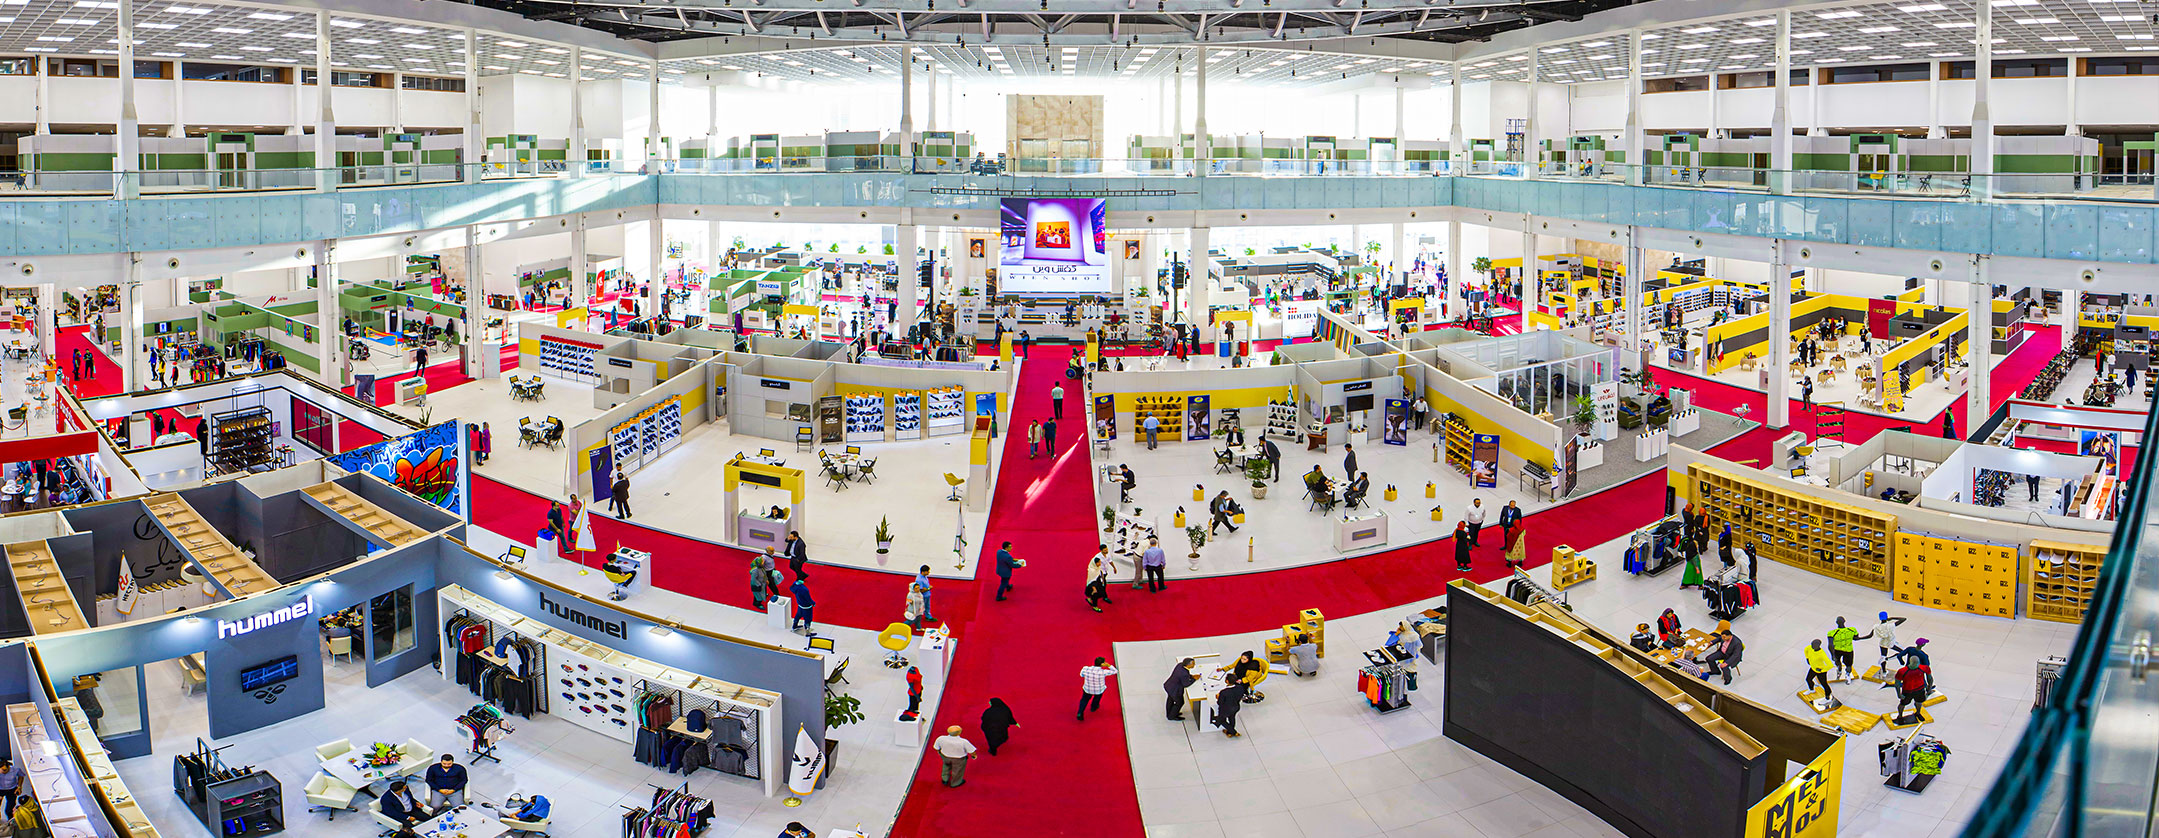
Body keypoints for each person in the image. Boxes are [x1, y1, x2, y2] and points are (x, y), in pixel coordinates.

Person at [1077, 656, 1119, 721]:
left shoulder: (1085, 669)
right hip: (1098, 690)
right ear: (1102, 664)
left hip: (1087, 689)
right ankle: (1093, 707)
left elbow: (1081, 675)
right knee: (1097, 698)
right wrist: (1108, 665)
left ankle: (1080, 713)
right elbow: (1115, 671)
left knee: (1084, 700)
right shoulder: (1103, 672)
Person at [1827, 616, 1860, 681]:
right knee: (1849, 665)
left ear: (1836, 622)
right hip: (1848, 650)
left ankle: (1839, 670)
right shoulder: (1852, 630)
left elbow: (1830, 645)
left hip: (1837, 650)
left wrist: (1832, 655)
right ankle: (1848, 675)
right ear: (1844, 621)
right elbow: (1856, 637)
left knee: (1837, 661)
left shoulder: (1831, 633)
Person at [1086, 546, 1115, 612]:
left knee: (1102, 589)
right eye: (1099, 563)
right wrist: (1094, 588)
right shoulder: (1093, 570)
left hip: (1099, 581)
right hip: (1094, 586)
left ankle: (1094, 599)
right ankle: (1094, 606)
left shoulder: (1098, 568)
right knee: (1096, 594)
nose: (1100, 564)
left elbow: (1109, 562)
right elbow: (1091, 580)